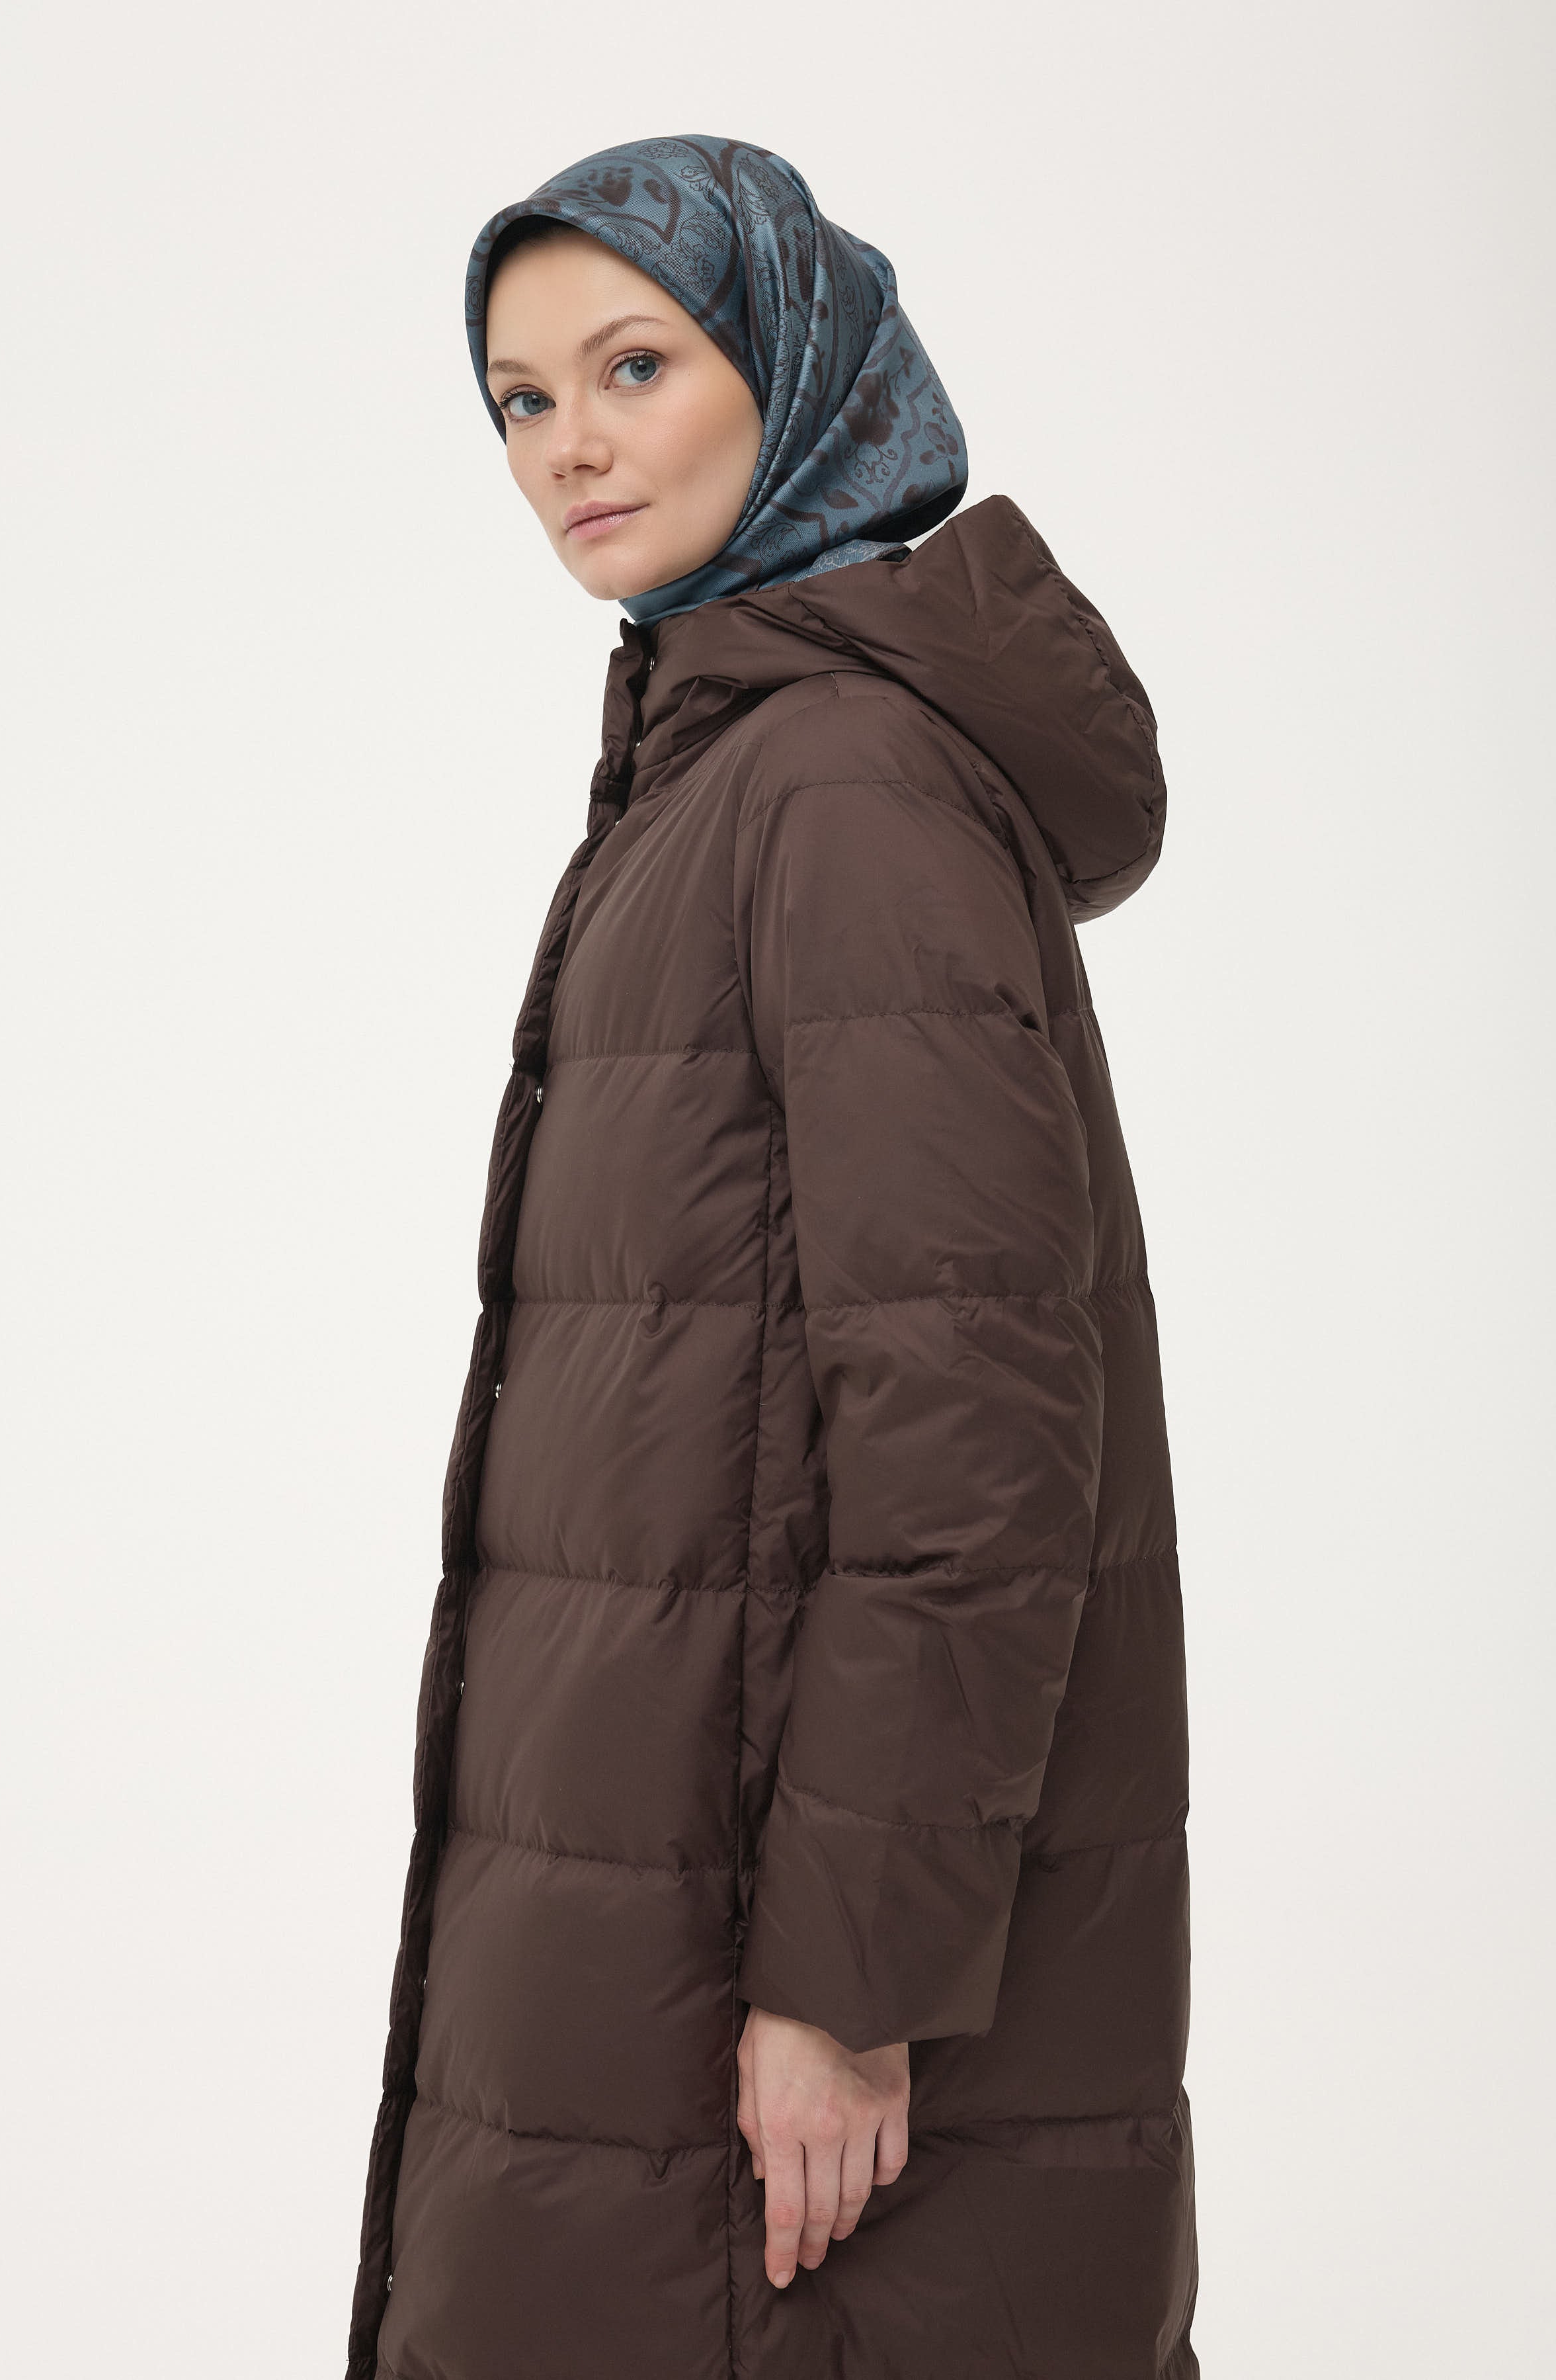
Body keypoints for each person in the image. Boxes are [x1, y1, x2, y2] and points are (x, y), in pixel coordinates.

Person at [347, 135, 1199, 2380]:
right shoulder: (719, 767)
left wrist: (852, 1980)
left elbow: (976, 1440)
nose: (570, 445)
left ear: (799, 368)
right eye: (521, 399)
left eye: (634, 366)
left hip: (778, 1995)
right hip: (662, 1934)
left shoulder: (842, 786)